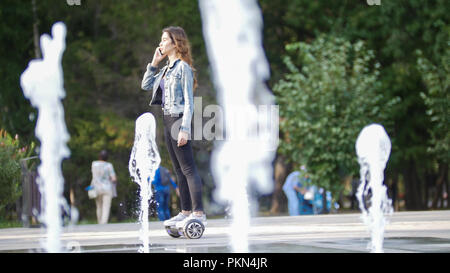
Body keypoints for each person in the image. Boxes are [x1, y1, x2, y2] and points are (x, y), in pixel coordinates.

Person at [141, 26, 206, 229]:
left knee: (188, 168)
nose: (160, 43)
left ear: (175, 42)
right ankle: (185, 211)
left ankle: (198, 213)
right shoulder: (165, 70)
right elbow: (145, 85)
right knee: (179, 169)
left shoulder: (183, 68)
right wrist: (154, 63)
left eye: (164, 39)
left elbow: (189, 101)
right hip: (167, 120)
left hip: (178, 120)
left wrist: (185, 128)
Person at [90, 150, 117, 224]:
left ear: (99, 156)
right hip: (107, 188)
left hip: (97, 187)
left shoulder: (94, 164)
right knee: (106, 206)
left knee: (99, 206)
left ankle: (99, 222)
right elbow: (113, 178)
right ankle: (103, 222)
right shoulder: (109, 165)